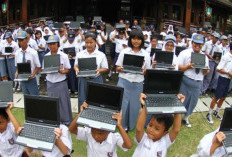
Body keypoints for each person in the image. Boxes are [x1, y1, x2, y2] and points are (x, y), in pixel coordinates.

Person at [69, 102, 133, 157]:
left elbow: (129, 145)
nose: (96, 136)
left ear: (108, 131)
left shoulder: (114, 137)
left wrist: (119, 126)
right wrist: (82, 113)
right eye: (93, 132)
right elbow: (72, 129)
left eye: (100, 133)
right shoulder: (88, 133)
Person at [116, 29, 150, 131]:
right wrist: (121, 69)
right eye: (134, 39)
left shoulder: (146, 54)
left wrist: (144, 71)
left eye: (139, 39)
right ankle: (122, 124)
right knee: (123, 104)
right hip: (124, 80)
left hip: (138, 82)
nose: (136, 41)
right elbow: (118, 67)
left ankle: (131, 125)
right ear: (130, 39)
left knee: (135, 106)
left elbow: (147, 71)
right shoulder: (124, 51)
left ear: (142, 41)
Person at [178, 34, 210, 127]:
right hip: (185, 80)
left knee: (193, 101)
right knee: (182, 100)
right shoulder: (184, 53)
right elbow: (179, 67)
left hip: (197, 82)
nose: (198, 45)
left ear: (202, 45)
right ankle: (178, 118)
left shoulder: (204, 57)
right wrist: (187, 66)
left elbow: (206, 73)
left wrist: (205, 70)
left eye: (200, 44)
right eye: (196, 43)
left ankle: (186, 117)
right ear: (192, 43)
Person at [74, 32, 108, 111]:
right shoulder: (80, 54)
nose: (88, 45)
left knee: (96, 100)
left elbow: (105, 68)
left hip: (96, 79)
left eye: (91, 42)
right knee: (82, 100)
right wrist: (76, 69)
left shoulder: (101, 55)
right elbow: (75, 65)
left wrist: (99, 70)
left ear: (95, 42)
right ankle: (82, 118)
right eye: (86, 42)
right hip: (83, 80)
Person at [43, 35, 73, 125]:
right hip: (50, 82)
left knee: (63, 102)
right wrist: (46, 69)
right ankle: (55, 120)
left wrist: (61, 71)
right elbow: (44, 68)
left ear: (58, 44)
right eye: (50, 44)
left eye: (54, 44)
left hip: (61, 82)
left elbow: (68, 69)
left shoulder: (63, 56)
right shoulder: (46, 56)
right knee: (52, 102)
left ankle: (66, 121)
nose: (52, 46)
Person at [206, 43, 232, 124]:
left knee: (223, 97)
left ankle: (217, 112)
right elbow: (218, 69)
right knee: (216, 97)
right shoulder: (226, 57)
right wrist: (228, 73)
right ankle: (209, 113)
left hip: (228, 80)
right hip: (222, 79)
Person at [15, 30, 40, 95]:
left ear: (27, 39)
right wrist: (17, 72)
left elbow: (38, 66)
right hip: (22, 79)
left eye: (22, 40)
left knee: (35, 98)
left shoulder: (33, 52)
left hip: (31, 79)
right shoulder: (17, 53)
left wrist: (33, 74)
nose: (20, 42)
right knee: (26, 98)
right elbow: (17, 65)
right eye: (19, 40)